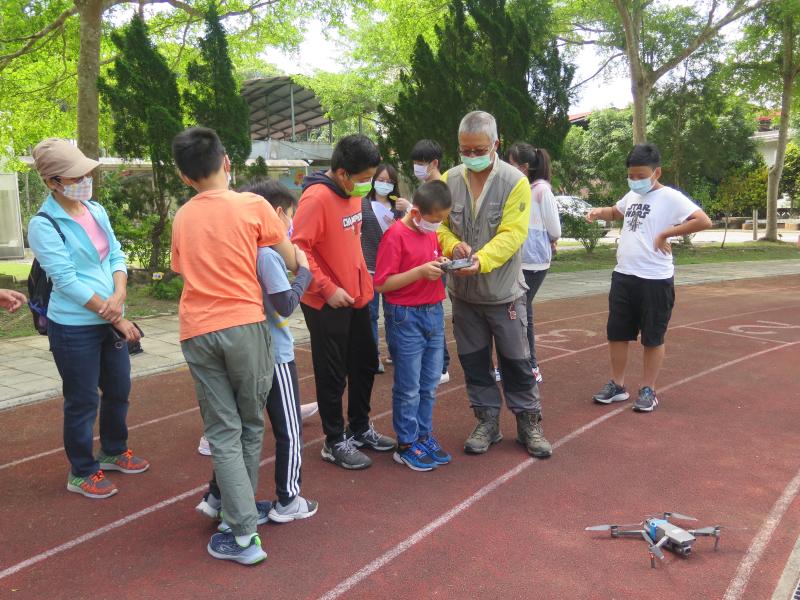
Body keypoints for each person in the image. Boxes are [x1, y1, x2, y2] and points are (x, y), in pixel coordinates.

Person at [171, 126, 299, 565]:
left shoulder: (184, 215)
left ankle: (237, 519)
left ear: (184, 176)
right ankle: (242, 530)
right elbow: (289, 257)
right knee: (248, 426)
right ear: (227, 162)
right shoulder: (255, 205)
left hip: (199, 329)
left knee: (225, 429)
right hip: (245, 326)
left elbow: (181, 267)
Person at [28, 138, 148, 500]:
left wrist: (121, 292)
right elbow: (65, 280)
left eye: (86, 172)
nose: (84, 179)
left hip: (110, 315)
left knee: (118, 390)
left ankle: (113, 449)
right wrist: (113, 313)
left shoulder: (94, 210)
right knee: (82, 400)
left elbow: (115, 253)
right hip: (75, 327)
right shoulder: (44, 224)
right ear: (52, 182)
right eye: (75, 175)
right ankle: (81, 470)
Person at [195, 178, 318, 528]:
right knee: (288, 429)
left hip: (238, 351)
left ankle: (217, 496)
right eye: (290, 217)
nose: (290, 226)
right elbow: (284, 305)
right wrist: (304, 273)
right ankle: (289, 499)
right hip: (273, 355)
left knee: (237, 430)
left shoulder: (236, 249)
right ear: (276, 213)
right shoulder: (267, 255)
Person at [437, 111, 552, 458]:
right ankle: (486, 420)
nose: (471, 156)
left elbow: (513, 234)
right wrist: (450, 245)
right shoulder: (448, 180)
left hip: (504, 294)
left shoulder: (514, 182)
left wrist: (481, 261)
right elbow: (437, 226)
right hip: (464, 295)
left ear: (495, 144)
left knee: (517, 360)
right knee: (473, 361)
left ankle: (529, 422)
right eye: (464, 150)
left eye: (479, 149)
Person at [292, 134, 395, 470]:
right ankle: (334, 440)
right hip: (326, 302)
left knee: (365, 363)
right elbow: (299, 250)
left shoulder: (353, 195)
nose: (368, 185)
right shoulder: (316, 199)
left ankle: (360, 427)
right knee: (332, 373)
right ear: (341, 173)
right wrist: (326, 288)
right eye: (364, 179)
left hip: (357, 295)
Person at [587, 143, 712, 412]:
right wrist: (600, 212)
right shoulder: (631, 196)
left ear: (656, 173)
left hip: (655, 279)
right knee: (617, 334)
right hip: (623, 275)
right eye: (630, 176)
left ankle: (648, 389)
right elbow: (615, 211)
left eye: (640, 175)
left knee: (652, 337)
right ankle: (617, 385)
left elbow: (703, 220)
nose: (635, 181)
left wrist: (667, 233)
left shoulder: (670, 197)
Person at [374, 180, 453, 471]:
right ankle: (406, 443)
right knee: (409, 386)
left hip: (433, 311)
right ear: (416, 212)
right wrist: (419, 272)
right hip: (405, 316)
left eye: (442, 220)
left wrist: (440, 262)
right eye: (434, 220)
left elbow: (429, 258)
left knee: (429, 383)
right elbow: (382, 284)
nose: (437, 226)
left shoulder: (428, 233)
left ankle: (423, 435)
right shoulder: (395, 235)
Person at [508, 143, 561, 384]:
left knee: (522, 311)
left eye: (511, 163)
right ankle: (521, 363)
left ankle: (530, 366)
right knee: (518, 311)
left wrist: (552, 240)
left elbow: (555, 228)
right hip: (520, 259)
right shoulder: (523, 188)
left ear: (524, 167)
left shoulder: (541, 191)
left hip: (535, 261)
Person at [360, 163, 410, 374]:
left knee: (393, 314)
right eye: (381, 180)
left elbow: (416, 227)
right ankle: (373, 357)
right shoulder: (362, 204)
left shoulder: (398, 208)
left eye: (390, 182)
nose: (385, 184)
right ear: (373, 180)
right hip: (369, 267)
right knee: (371, 314)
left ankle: (395, 353)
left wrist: (408, 207)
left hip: (393, 269)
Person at [410, 139, 451, 385]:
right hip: (424, 255)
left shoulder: (444, 186)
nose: (416, 168)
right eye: (414, 163)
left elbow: (443, 226)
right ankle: (433, 361)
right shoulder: (426, 187)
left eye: (420, 163)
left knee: (433, 310)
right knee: (424, 310)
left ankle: (441, 363)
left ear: (433, 163)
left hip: (438, 256)